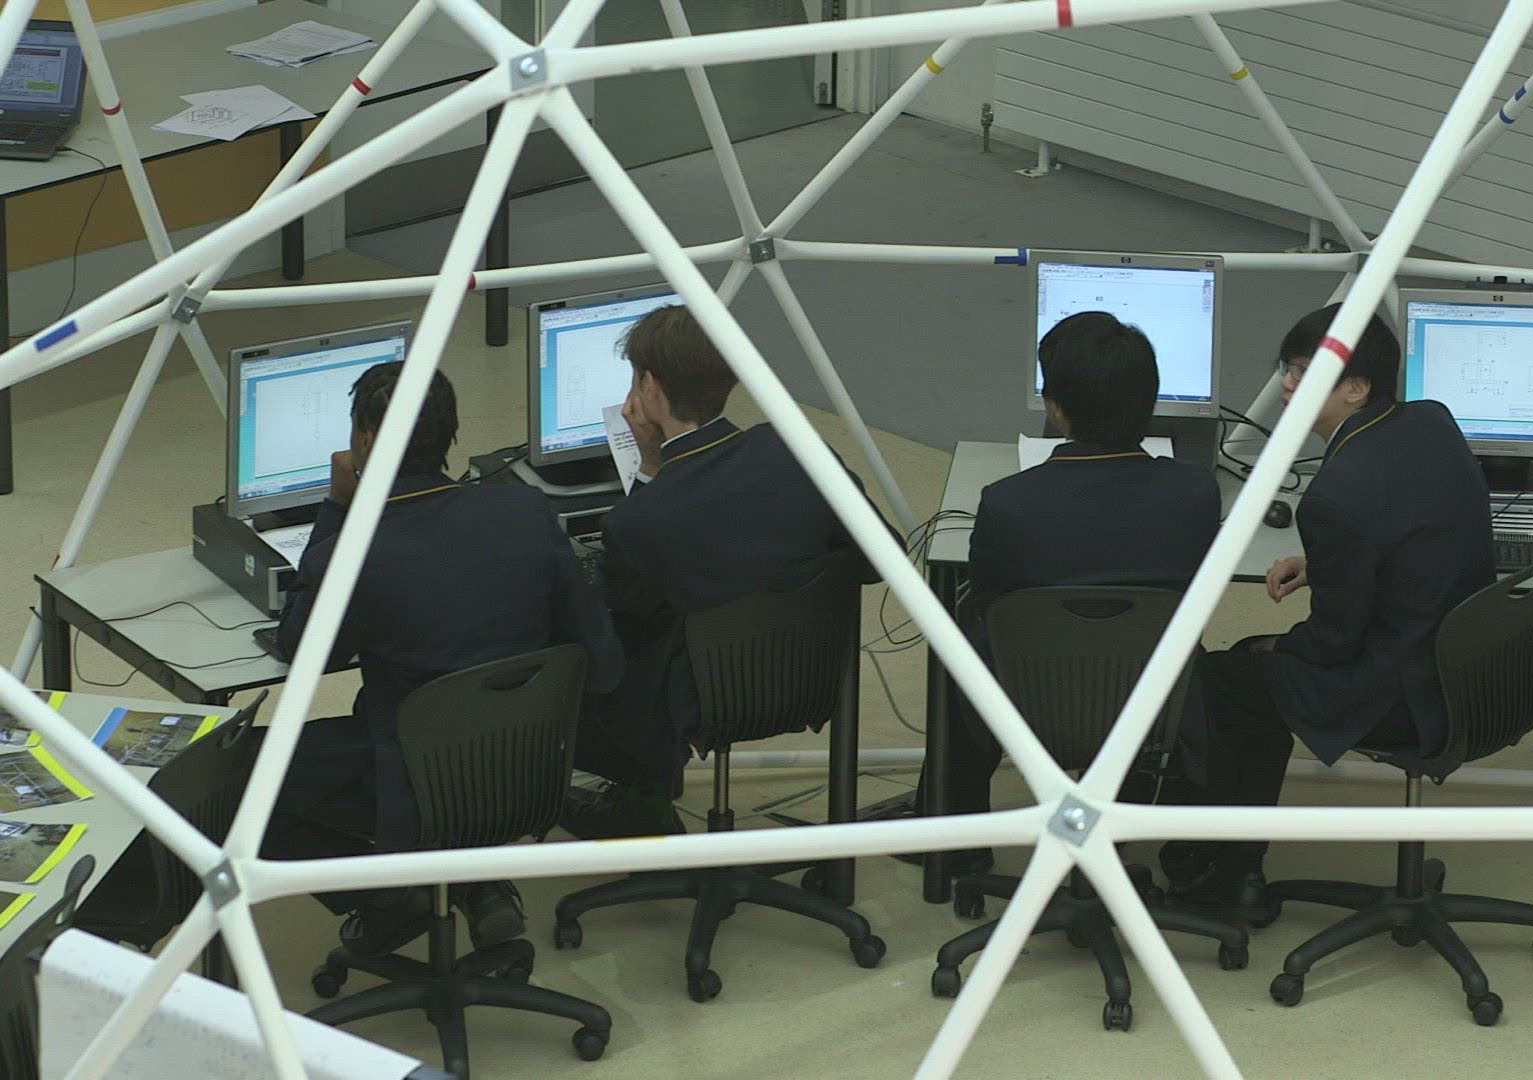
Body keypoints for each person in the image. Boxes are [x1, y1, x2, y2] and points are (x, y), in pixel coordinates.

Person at [266, 364, 624, 958]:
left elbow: (300, 650)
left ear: (364, 440)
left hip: (411, 781)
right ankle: (471, 881)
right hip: (529, 766)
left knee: (239, 779)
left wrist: (336, 507)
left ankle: (391, 897)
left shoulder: (353, 552)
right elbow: (600, 658)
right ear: (449, 434)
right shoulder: (525, 512)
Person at [1163, 303, 1495, 912]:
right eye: (1286, 368)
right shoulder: (1429, 420)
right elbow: (1416, 532)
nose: (1286, 385)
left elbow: (1333, 643)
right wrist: (1327, 564)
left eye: (1303, 371)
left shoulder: (1337, 496)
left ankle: (1216, 874)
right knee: (1253, 671)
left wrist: (1276, 646)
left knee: (1224, 677)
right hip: (1465, 668)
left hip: (1404, 695)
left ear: (1356, 387)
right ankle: (1227, 864)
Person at [563, 305, 890, 839]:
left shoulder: (640, 519)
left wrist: (649, 470)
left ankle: (637, 805)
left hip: (694, 704)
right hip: (807, 676)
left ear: (649, 387)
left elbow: (616, 620)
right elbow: (879, 557)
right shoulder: (795, 448)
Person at [938, 312, 1219, 858]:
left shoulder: (1008, 502)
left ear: (1055, 406)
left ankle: (955, 845)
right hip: (1154, 702)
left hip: (1028, 701)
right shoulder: (1195, 493)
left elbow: (990, 603)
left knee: (961, 648)